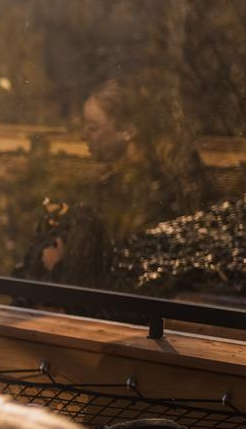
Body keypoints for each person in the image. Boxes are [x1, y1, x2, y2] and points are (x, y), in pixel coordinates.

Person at [17, 71, 211, 290]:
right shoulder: (126, 185)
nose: (84, 136)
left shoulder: (142, 192)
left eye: (93, 128)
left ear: (128, 130)